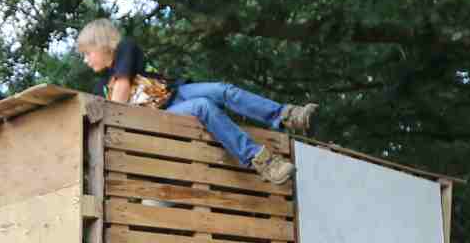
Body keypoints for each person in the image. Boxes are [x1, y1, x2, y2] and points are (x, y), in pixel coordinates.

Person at [75, 17, 315, 185]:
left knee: (222, 90)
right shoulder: (100, 86)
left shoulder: (124, 49)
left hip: (175, 93)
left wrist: (112, 108)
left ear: (103, 44)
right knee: (203, 106)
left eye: (87, 53)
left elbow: (120, 93)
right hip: (160, 116)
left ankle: (286, 115)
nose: (85, 60)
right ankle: (263, 162)